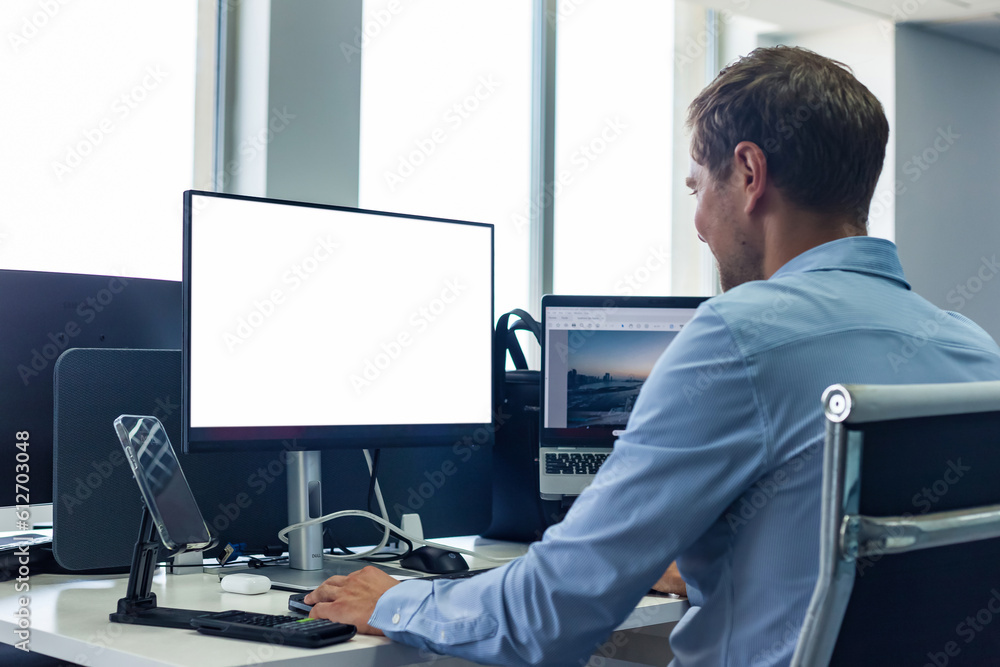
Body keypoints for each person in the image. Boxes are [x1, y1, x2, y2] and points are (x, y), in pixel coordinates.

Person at [304, 46, 1000, 666]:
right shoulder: (973, 349)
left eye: (698, 188)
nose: (698, 224)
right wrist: (707, 566)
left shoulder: (737, 334)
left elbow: (549, 618)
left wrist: (397, 599)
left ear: (750, 172)